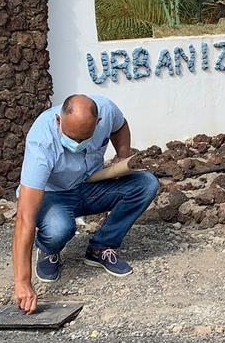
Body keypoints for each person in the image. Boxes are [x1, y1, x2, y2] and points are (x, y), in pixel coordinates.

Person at [11, 94, 159, 314]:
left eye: (83, 139)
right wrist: (22, 282)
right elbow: (25, 217)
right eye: (72, 138)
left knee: (146, 184)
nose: (77, 144)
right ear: (59, 121)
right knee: (60, 229)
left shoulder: (106, 111)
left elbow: (120, 126)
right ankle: (48, 249)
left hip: (90, 185)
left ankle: (100, 247)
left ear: (98, 123)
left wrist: (123, 155)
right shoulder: (41, 142)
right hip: (54, 195)